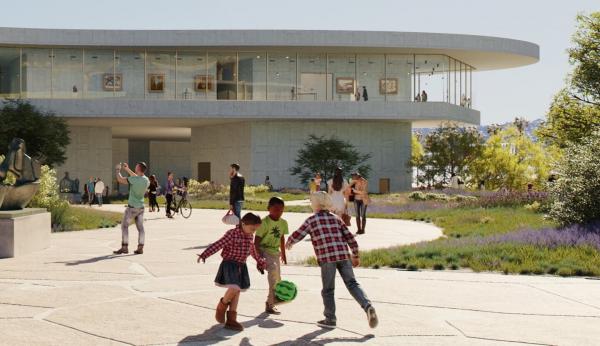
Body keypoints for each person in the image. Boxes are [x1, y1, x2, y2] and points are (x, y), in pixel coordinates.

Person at [285, 192, 378, 329]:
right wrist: (356, 255)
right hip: (343, 256)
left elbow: (299, 234)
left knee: (328, 290)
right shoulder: (336, 218)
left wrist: (289, 243)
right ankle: (367, 306)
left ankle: (330, 319)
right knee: (352, 283)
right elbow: (350, 238)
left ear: (315, 204)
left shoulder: (311, 220)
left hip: (327, 259)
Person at [197, 213, 267, 331]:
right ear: (243, 224)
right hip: (229, 264)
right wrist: (205, 254)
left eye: (255, 230)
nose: (253, 232)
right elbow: (218, 244)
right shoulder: (232, 234)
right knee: (234, 288)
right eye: (252, 228)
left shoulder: (250, 236)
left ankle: (231, 320)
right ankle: (222, 306)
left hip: (241, 266)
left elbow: (252, 250)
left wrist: (260, 261)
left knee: (237, 291)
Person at [254, 197, 288, 315]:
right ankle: (271, 304)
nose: (278, 212)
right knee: (273, 272)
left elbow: (282, 238)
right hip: (264, 250)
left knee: (277, 278)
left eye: (281, 210)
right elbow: (256, 241)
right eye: (276, 209)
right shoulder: (264, 222)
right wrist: (259, 258)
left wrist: (283, 254)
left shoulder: (283, 223)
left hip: (275, 253)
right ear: (269, 209)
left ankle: (270, 302)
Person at [113, 162, 150, 255]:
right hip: (141, 208)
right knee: (141, 228)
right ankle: (140, 247)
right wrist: (127, 169)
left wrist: (118, 170)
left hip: (132, 208)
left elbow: (120, 179)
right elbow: (137, 177)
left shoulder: (134, 179)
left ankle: (124, 247)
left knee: (124, 226)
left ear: (138, 169)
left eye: (136, 166)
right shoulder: (146, 180)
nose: (135, 167)